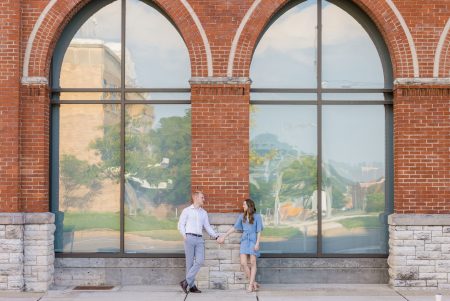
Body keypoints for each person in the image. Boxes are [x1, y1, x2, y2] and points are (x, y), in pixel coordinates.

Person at [178, 191, 220, 294]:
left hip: (199, 239)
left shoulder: (203, 213)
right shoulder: (187, 211)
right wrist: (184, 235)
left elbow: (207, 227)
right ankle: (191, 286)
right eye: (202, 197)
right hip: (189, 238)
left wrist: (216, 236)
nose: (204, 199)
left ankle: (185, 282)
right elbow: (180, 224)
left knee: (200, 261)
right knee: (189, 264)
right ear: (195, 198)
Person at [218, 198, 263, 292]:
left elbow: (259, 231)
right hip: (244, 240)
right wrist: (224, 236)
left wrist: (257, 243)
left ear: (249, 206)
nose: (242, 206)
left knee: (253, 262)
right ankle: (254, 282)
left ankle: (250, 285)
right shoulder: (241, 216)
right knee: (243, 263)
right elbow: (234, 228)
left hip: (253, 240)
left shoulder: (257, 216)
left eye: (244, 204)